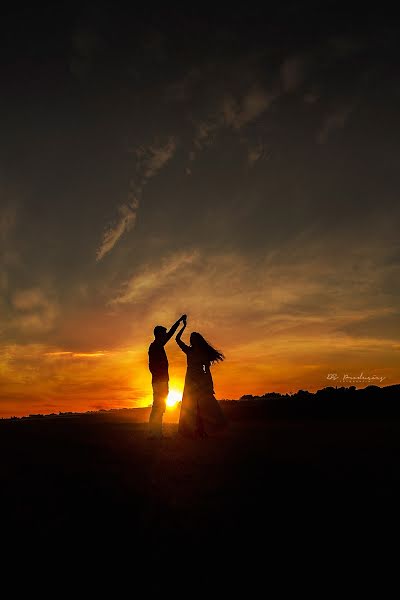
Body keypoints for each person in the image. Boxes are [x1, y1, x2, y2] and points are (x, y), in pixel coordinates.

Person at [176, 317, 227, 438]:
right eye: (191, 339)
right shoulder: (190, 351)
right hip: (192, 380)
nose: (191, 340)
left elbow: (207, 371)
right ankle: (196, 430)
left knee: (197, 406)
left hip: (196, 381)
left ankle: (199, 430)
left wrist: (209, 384)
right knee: (193, 406)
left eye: (192, 339)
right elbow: (177, 339)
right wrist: (183, 326)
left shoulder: (194, 352)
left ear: (196, 340)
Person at [148, 314, 187, 438]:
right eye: (163, 334)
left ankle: (156, 433)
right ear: (159, 334)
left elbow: (170, 333)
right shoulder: (155, 346)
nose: (166, 336)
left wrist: (180, 321)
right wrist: (158, 377)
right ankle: (154, 433)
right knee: (158, 407)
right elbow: (151, 366)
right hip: (160, 381)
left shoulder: (158, 346)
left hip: (162, 380)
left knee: (159, 407)